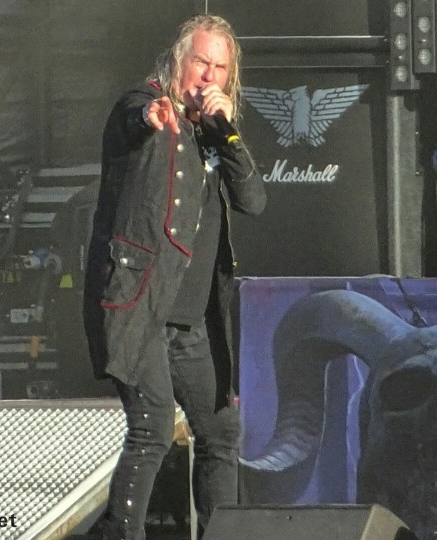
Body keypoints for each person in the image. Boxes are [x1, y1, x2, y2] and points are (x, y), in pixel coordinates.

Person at [83, 14, 266, 540]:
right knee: (153, 428)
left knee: (220, 430)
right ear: (177, 61)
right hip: (139, 308)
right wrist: (150, 115)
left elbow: (253, 200)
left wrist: (228, 134)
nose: (208, 76)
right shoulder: (145, 103)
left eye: (219, 68)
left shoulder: (213, 131)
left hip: (190, 321)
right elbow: (130, 120)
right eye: (200, 62)